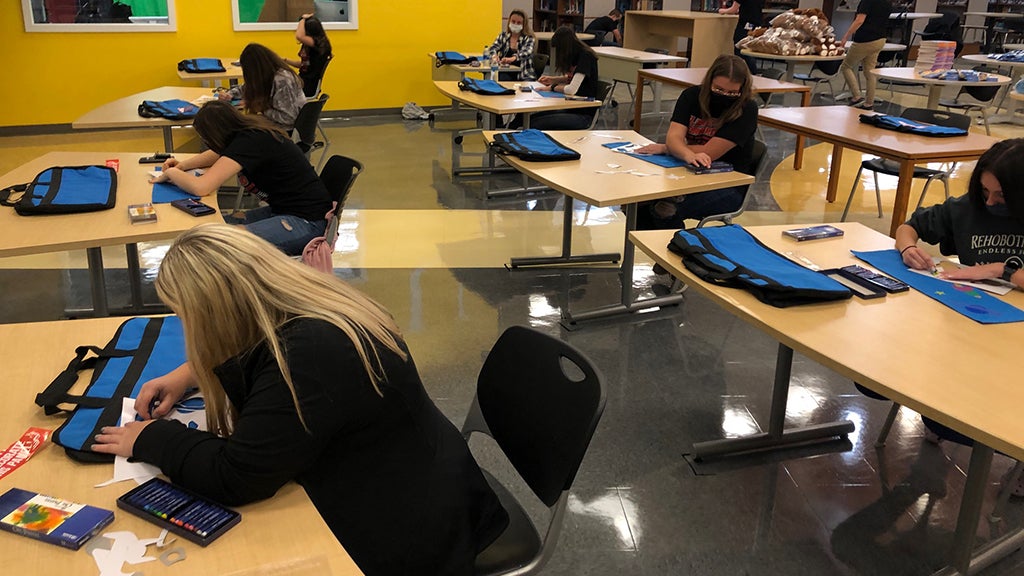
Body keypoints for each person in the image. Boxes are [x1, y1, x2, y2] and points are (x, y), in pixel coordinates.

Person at [91, 224, 510, 576]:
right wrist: (192, 372)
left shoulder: (307, 356)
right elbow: (254, 343)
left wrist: (151, 438)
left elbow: (236, 476)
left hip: (411, 532)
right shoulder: (315, 302)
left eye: (189, 317)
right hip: (423, 483)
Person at [149, 100, 332, 256]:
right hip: (287, 211)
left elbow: (202, 187)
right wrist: (183, 166)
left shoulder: (250, 142)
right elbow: (217, 154)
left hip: (307, 223)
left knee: (221, 242)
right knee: (212, 228)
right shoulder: (248, 135)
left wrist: (171, 173)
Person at [634, 55, 759, 231]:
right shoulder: (691, 96)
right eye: (719, 89)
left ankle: (678, 245)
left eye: (732, 93)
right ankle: (654, 245)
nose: (725, 96)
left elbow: (709, 153)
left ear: (742, 89)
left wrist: (667, 148)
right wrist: (685, 153)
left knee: (664, 208)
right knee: (638, 202)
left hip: (729, 185)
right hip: (689, 173)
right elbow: (674, 137)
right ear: (709, 82)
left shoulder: (747, 109)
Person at [897, 138, 1024, 287]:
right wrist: (908, 248)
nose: (989, 202)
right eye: (985, 189)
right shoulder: (967, 206)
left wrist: (1000, 270)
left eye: (1001, 194)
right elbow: (908, 228)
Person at [510, 26, 600, 130]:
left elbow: (571, 89)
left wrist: (552, 87)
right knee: (525, 118)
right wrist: (553, 79)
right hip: (571, 107)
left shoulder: (585, 57)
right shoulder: (578, 54)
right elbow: (575, 79)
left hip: (583, 114)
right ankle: (503, 132)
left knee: (534, 123)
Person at [221, 43, 307, 131]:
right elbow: (247, 88)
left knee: (237, 129)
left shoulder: (283, 80)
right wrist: (230, 94)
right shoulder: (266, 75)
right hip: (274, 124)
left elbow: (289, 118)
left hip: (286, 130)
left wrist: (262, 109)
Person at [838, 0, 893, 110]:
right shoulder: (887, 2)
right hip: (880, 39)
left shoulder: (867, 1)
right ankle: (869, 103)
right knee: (870, 72)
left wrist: (846, 36)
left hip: (865, 39)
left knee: (846, 66)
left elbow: (859, 20)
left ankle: (856, 96)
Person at [284, 13, 334, 97]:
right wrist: (285, 60)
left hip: (307, 85)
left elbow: (299, 36)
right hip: (303, 81)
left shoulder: (318, 44)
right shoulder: (314, 45)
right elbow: (304, 65)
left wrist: (303, 19)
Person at [489, 9, 537, 81]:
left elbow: (527, 52)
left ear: (524, 25)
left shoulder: (529, 38)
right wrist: (494, 56)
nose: (515, 24)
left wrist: (513, 58)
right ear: (509, 21)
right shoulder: (503, 36)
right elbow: (493, 48)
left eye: (519, 23)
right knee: (498, 78)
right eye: (513, 22)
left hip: (524, 75)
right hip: (505, 72)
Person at [719, 0, 764, 72]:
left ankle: (747, 71)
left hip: (745, 24)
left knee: (739, 47)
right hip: (756, 25)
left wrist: (722, 11)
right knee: (750, 48)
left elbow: (733, 10)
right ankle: (752, 72)